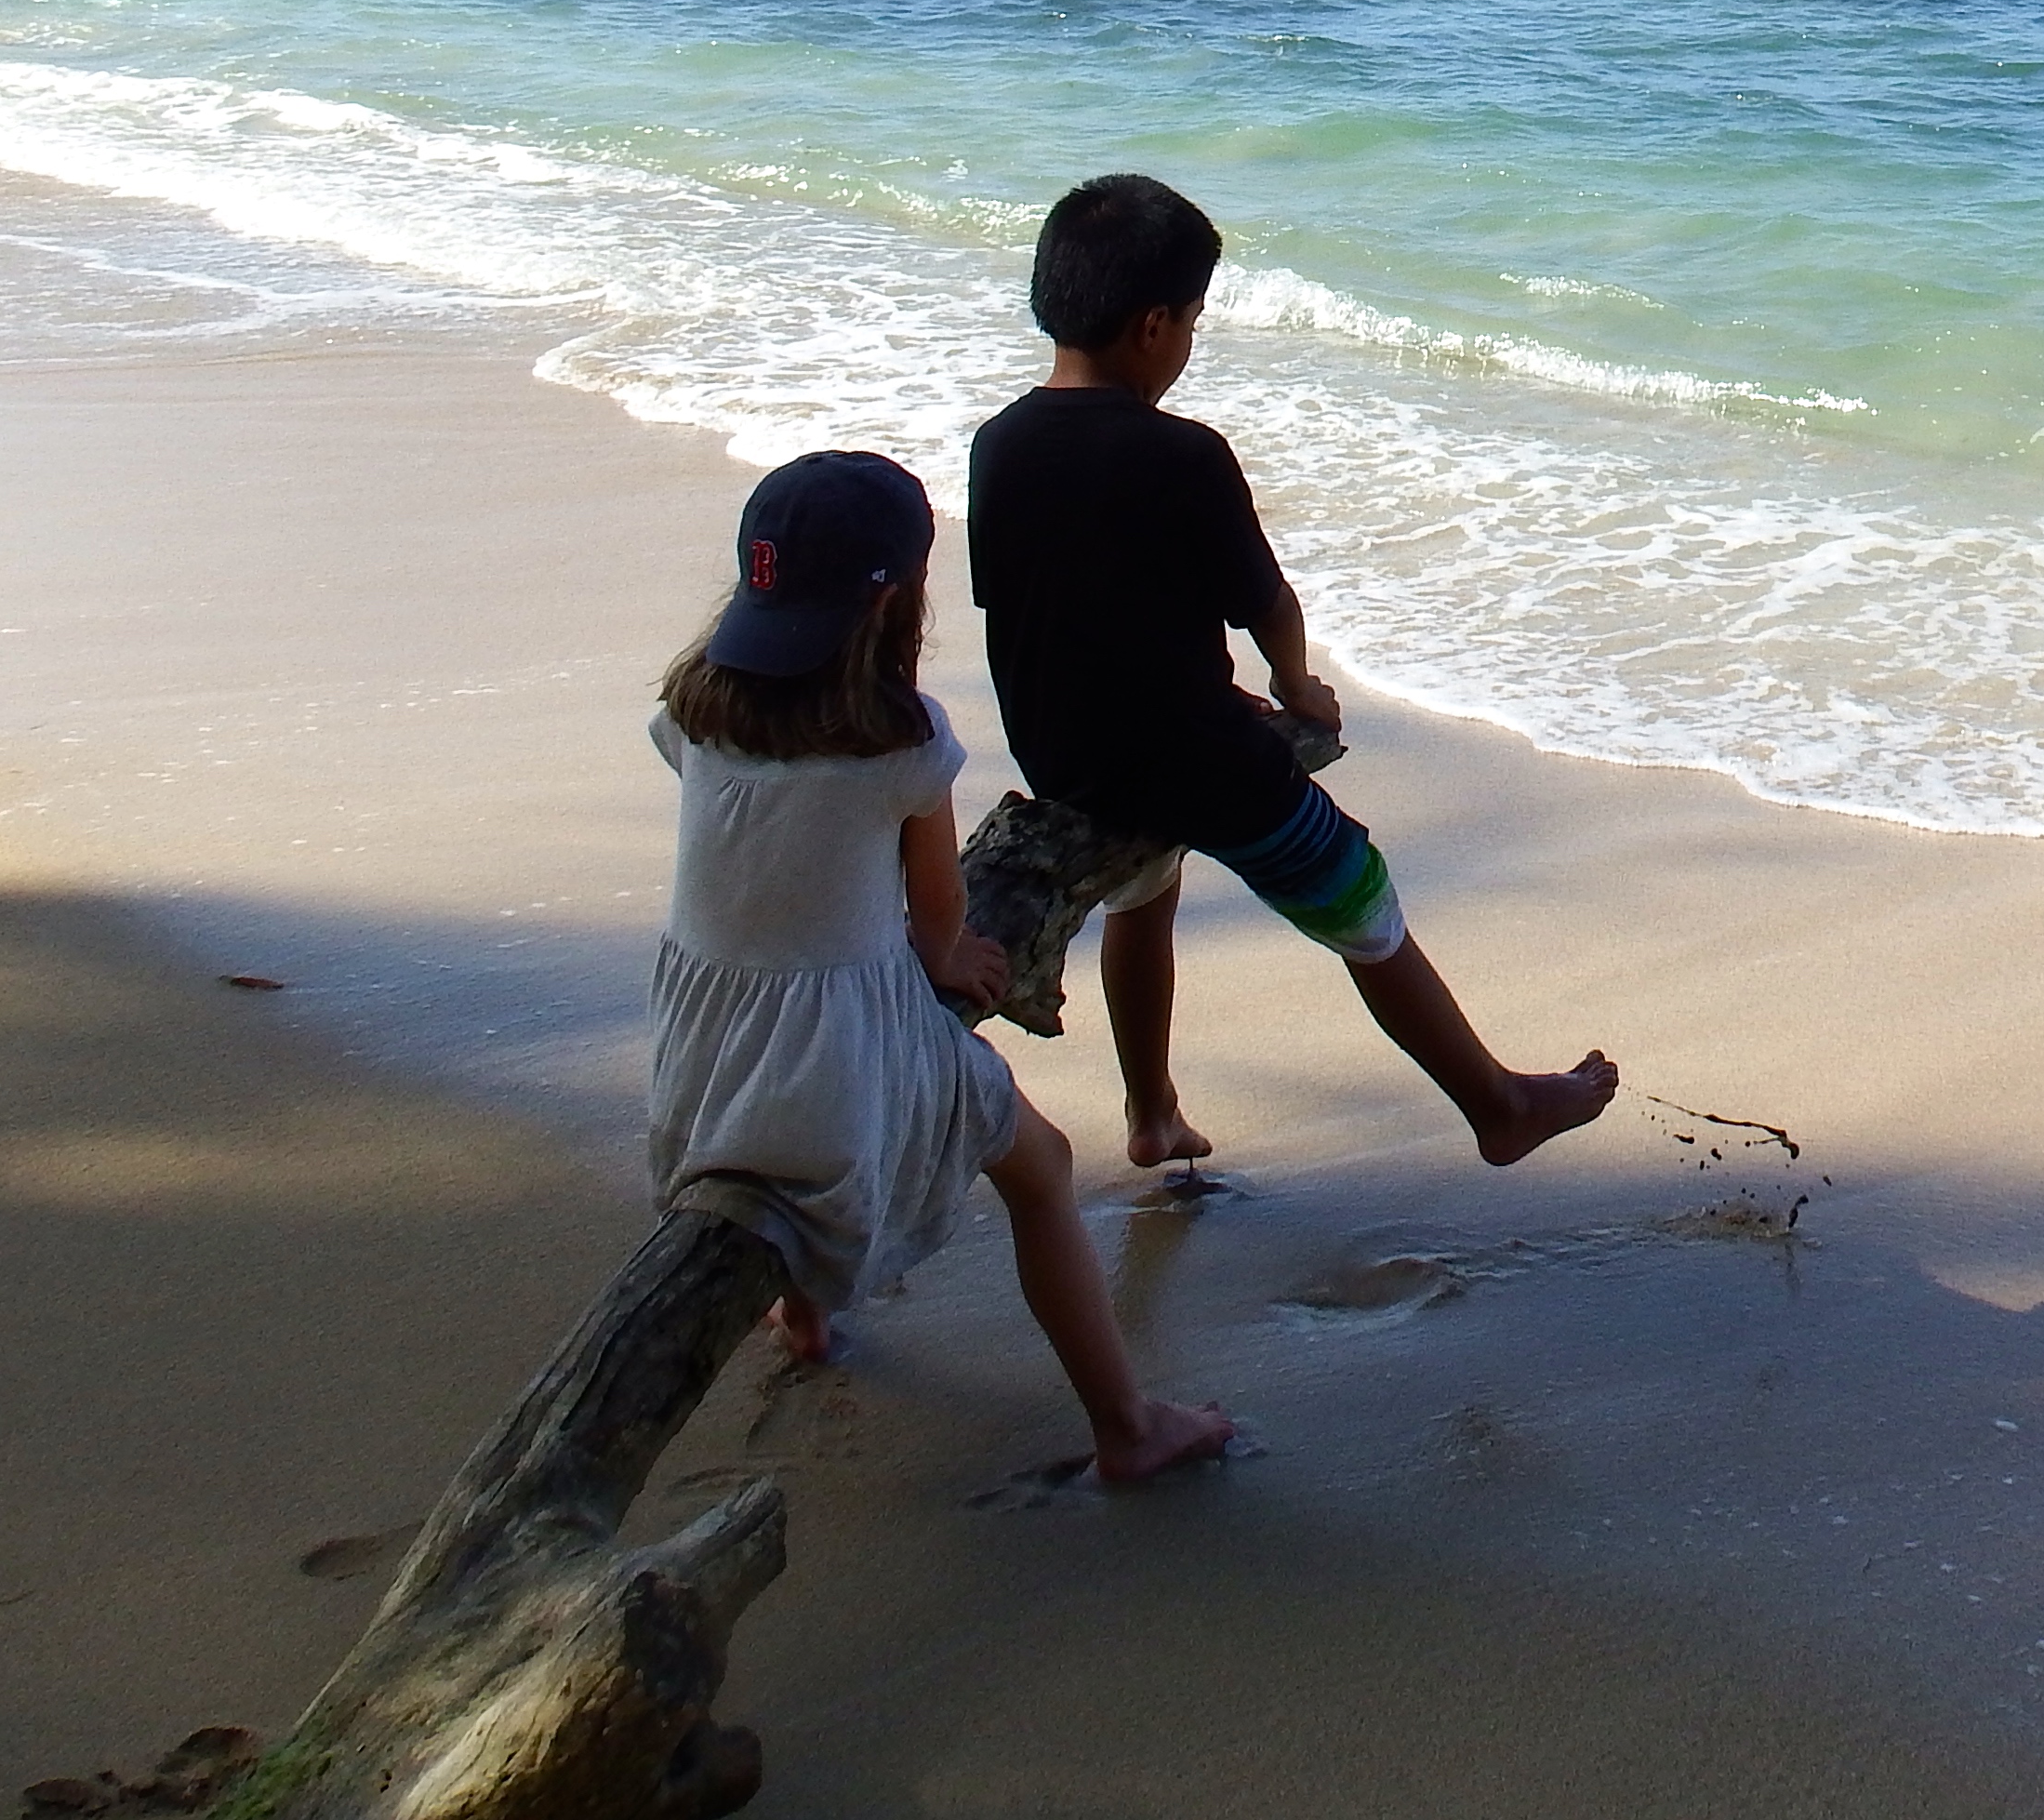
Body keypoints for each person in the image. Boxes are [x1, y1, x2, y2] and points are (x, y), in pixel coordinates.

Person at [968, 172, 1618, 1171]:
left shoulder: (997, 445)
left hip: (1066, 755)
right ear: (1154, 327)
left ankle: (1152, 1113)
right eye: (1192, 319)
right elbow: (1265, 602)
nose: (1190, 338)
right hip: (1197, 760)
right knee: (1360, 897)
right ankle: (1497, 1106)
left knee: (1146, 891)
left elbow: (1019, 604)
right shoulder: (1184, 455)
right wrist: (1297, 687)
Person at [645, 446, 1230, 1483]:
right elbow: (936, 906)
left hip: (704, 1061)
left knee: (785, 1139)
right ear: (896, 602)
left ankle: (803, 1315)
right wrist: (952, 958)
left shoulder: (692, 708)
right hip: (840, 1062)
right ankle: (1127, 1426)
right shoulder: (901, 743)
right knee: (1040, 1170)